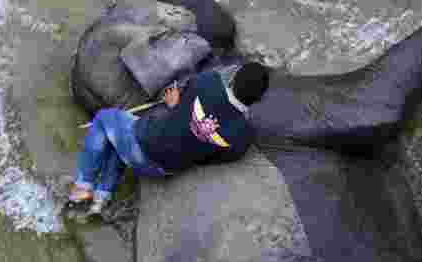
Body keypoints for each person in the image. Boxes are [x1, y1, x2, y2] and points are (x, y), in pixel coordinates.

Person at [65, 61, 271, 216]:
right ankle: (100, 200)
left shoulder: (209, 82)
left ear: (233, 78)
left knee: (104, 119)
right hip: (162, 169)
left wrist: (175, 105)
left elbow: (191, 99)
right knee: (119, 147)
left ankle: (83, 187)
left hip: (143, 143)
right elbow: (208, 158)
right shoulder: (243, 136)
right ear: (258, 100)